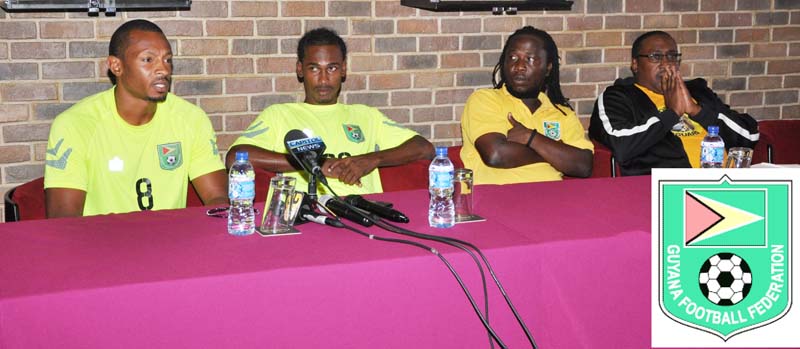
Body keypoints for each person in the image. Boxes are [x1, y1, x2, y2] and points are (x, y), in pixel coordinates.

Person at [44, 19, 228, 218]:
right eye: (148, 60)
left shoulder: (191, 119)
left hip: (171, 242)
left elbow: (217, 199)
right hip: (100, 244)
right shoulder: (75, 125)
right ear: (116, 66)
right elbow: (64, 222)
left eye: (167, 60)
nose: (163, 70)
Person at [227, 28, 433, 195]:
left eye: (332, 68)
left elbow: (424, 148)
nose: (324, 79)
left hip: (365, 217)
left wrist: (371, 160)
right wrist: (313, 165)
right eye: (314, 69)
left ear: (343, 69)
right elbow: (234, 157)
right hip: (304, 219)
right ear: (300, 69)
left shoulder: (366, 115)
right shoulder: (279, 114)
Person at [589, 30, 759, 176]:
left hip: (724, 183)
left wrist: (696, 111)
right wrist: (672, 113)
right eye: (656, 57)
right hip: (665, 191)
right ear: (635, 64)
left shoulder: (698, 92)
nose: (666, 64)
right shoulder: (618, 97)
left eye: (672, 56)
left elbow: (749, 136)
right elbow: (622, 146)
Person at [460, 26, 593, 185]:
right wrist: (556, 152)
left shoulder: (563, 114)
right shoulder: (484, 100)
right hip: (494, 200)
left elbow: (583, 165)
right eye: (513, 58)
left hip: (553, 199)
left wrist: (531, 137)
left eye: (530, 59)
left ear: (548, 68)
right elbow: (495, 155)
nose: (519, 66)